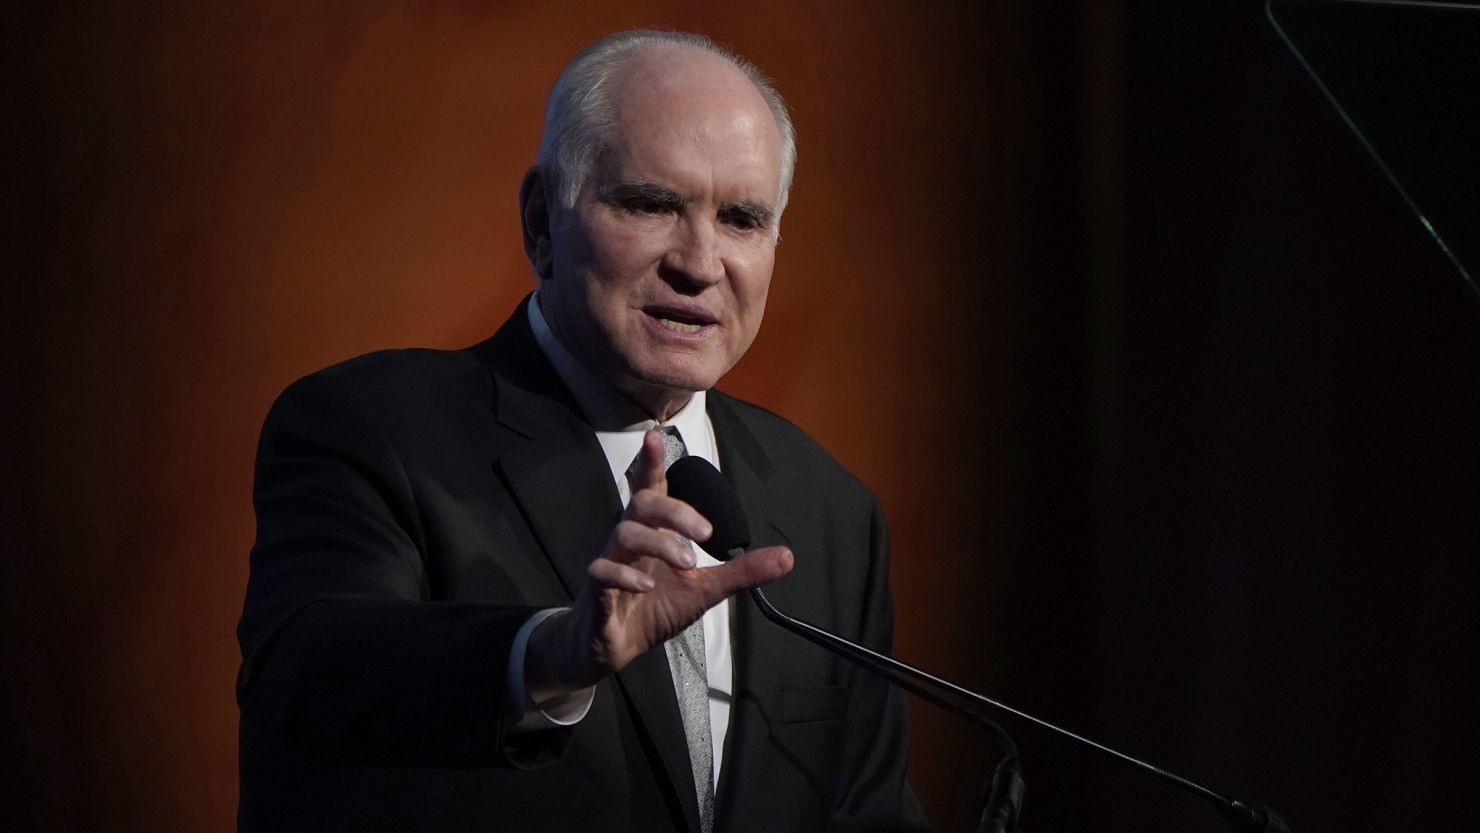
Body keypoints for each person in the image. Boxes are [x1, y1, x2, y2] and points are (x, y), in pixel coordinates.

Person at [237, 29, 931, 832]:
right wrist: (550, 656)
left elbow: (868, 809)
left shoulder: (829, 508)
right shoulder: (375, 428)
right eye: (650, 204)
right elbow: (307, 677)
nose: (700, 263)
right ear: (541, 220)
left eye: (741, 218)